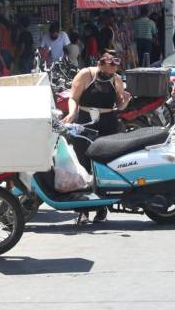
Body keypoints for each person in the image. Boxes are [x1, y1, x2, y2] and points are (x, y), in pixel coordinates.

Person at [61, 49, 131, 223]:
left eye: (113, 71)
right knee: (83, 165)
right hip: (86, 122)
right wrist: (71, 114)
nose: (109, 74)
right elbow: (73, 97)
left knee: (103, 167)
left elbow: (120, 106)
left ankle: (102, 208)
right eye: (106, 71)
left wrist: (126, 100)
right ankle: (83, 210)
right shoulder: (86, 74)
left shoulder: (116, 79)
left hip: (108, 123)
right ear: (100, 64)